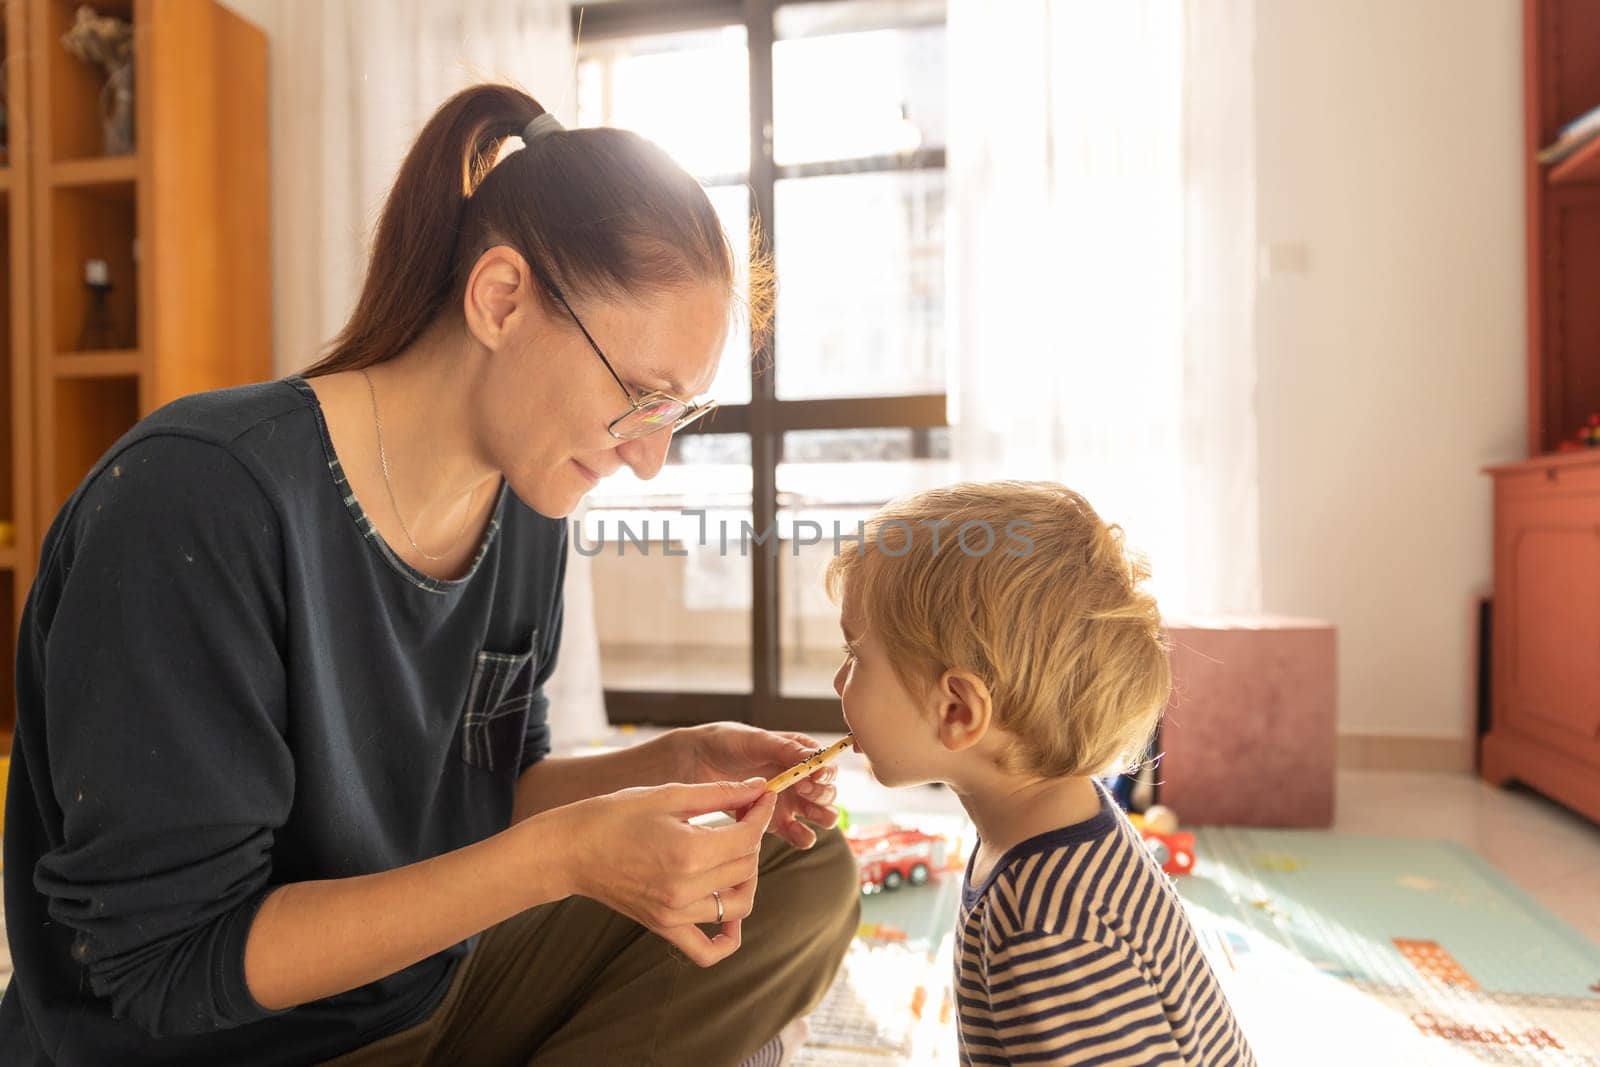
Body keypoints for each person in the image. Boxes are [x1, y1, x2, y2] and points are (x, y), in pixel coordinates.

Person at [0, 84, 858, 1066]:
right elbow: (166, 964)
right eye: (640, 398)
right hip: (216, 1043)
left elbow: (489, 786)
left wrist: (669, 765)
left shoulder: (527, 506)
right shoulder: (199, 499)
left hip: (417, 999)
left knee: (803, 872)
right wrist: (562, 857)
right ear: (500, 298)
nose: (648, 457)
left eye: (678, 415)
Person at [826, 482, 1256, 1065]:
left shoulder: (1045, 928)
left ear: (958, 711)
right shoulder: (1060, 825)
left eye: (854, 655)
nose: (837, 680)